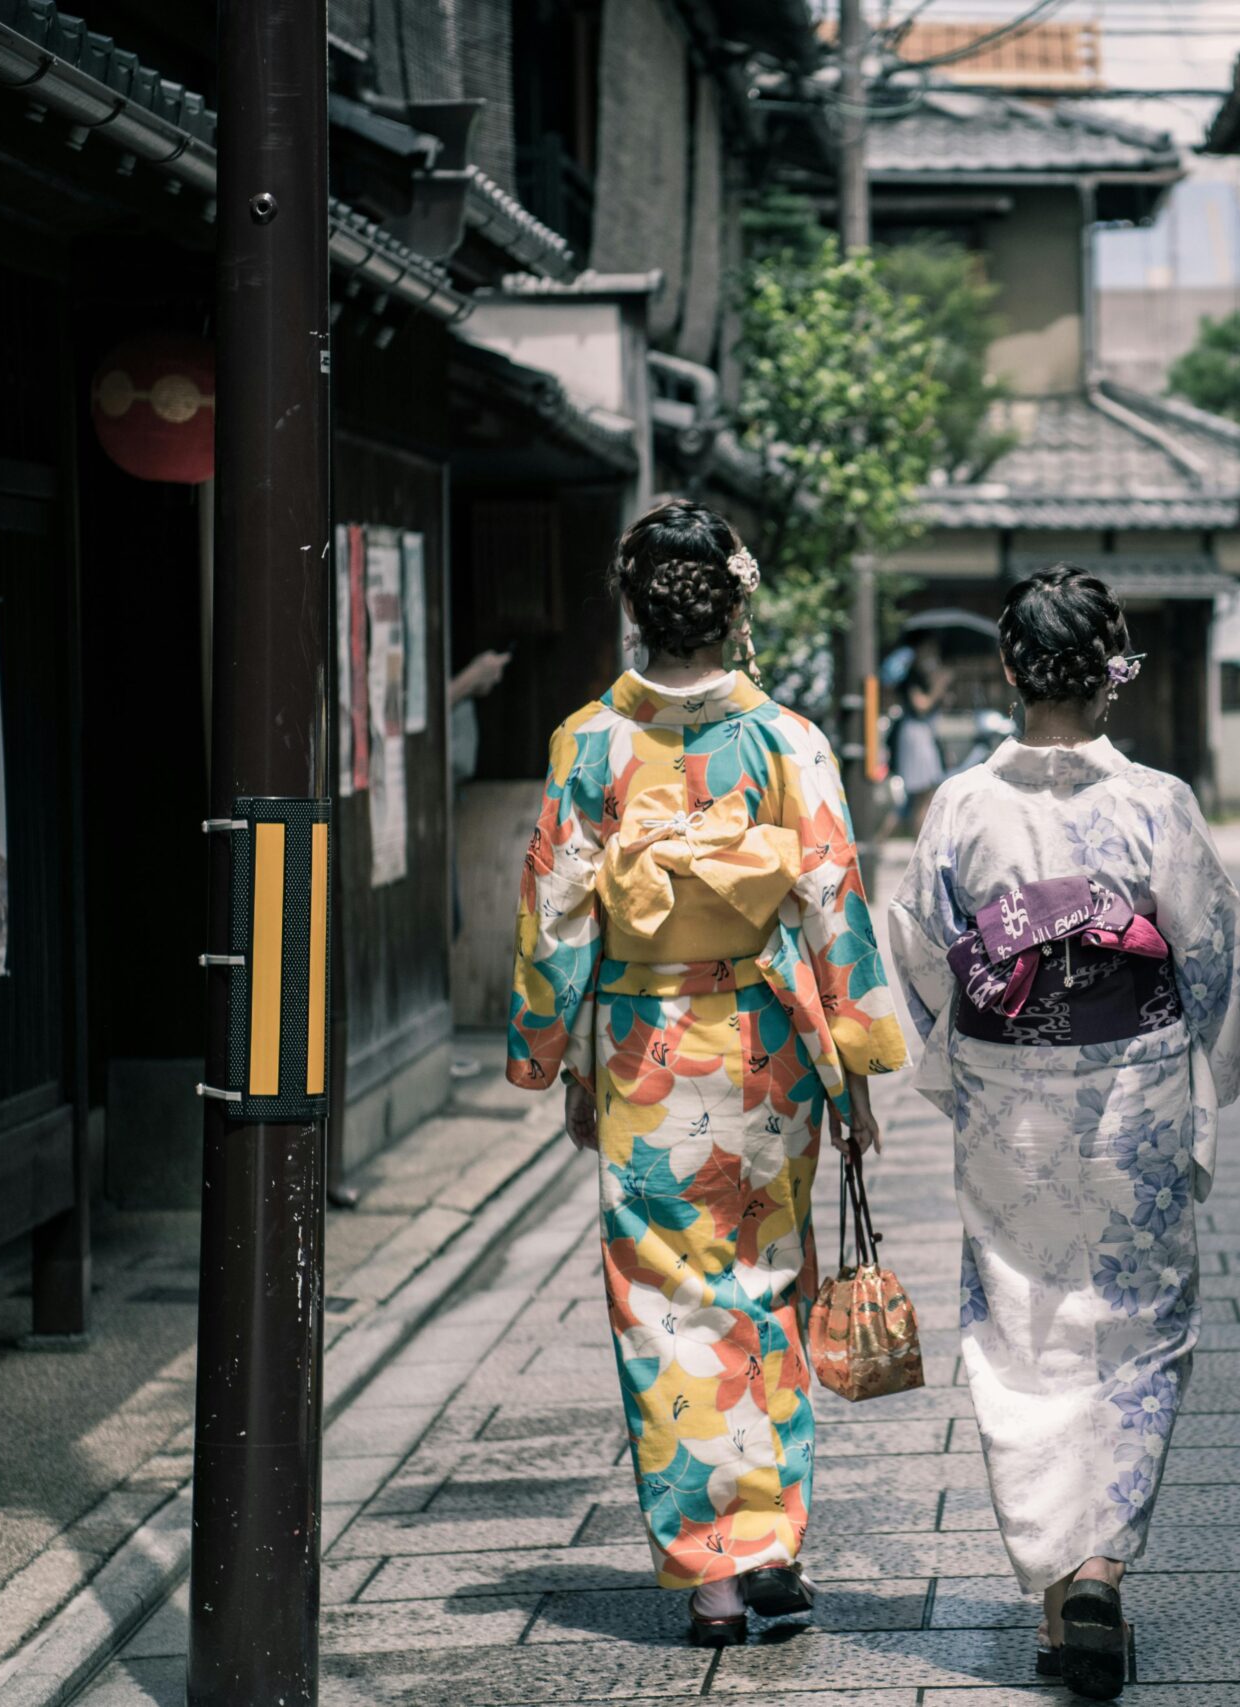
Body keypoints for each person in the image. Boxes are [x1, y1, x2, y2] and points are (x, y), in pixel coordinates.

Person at [506, 496, 906, 1648]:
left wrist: (554, 1050)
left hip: (642, 1044)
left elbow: (557, 913)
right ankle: (773, 1542)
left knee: (666, 1306)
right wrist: (859, 1062)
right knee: (767, 1282)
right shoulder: (787, 739)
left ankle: (714, 1579)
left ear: (633, 607)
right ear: (735, 606)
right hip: (769, 1041)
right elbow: (833, 897)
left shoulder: (591, 742)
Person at [885, 568, 1240, 1701]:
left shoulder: (959, 807)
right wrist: (1214, 1072)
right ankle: (1100, 1565)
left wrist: (961, 1058)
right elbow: (1209, 957)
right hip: (1132, 1083)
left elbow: (918, 950)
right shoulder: (1157, 804)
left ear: (1007, 673)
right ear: (1111, 672)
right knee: (1135, 1328)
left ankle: (1056, 1594)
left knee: (1022, 1323)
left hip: (1007, 1088)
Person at [887, 639, 951, 836]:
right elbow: (921, 705)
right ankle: (914, 841)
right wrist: (939, 686)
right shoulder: (911, 677)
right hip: (915, 736)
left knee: (927, 794)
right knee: (921, 795)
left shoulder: (923, 676)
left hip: (923, 733)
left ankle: (896, 837)